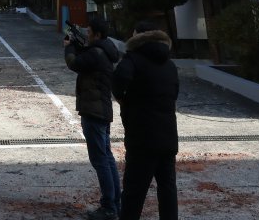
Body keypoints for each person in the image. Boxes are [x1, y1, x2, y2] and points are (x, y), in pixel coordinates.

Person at [112, 21, 180, 220]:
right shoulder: (170, 64)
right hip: (168, 136)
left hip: (142, 137)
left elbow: (117, 82)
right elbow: (174, 94)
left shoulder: (132, 59)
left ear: (137, 37)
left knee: (134, 191)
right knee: (168, 189)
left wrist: (125, 100)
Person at [64, 16, 122, 220]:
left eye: (89, 32)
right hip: (101, 111)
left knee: (100, 160)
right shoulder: (104, 50)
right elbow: (86, 59)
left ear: (97, 34)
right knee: (106, 158)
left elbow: (75, 64)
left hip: (94, 111)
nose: (87, 35)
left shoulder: (97, 53)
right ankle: (115, 203)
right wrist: (78, 46)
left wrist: (69, 47)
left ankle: (109, 207)